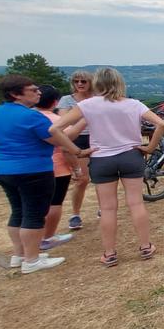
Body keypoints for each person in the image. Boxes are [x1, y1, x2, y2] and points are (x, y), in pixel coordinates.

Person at [50, 67, 164, 267]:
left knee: (108, 208)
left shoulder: (87, 105)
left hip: (102, 158)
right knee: (136, 203)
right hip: (131, 155)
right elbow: (161, 124)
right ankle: (145, 246)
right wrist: (151, 147)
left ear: (97, 84)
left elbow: (55, 129)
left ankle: (110, 253)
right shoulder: (133, 104)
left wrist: (77, 152)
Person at [0, 75, 94, 273]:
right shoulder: (31, 117)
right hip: (31, 169)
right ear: (15, 94)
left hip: (0, 169)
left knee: (18, 211)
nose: (39, 93)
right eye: (33, 90)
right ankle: (32, 260)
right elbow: (58, 138)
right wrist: (78, 152)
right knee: (34, 214)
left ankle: (20, 255)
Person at [36, 85, 87, 251]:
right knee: (54, 202)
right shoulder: (53, 120)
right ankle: (47, 237)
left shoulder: (28, 116)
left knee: (32, 205)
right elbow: (66, 145)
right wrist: (77, 169)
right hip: (56, 166)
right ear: (55, 102)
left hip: (28, 167)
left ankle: (29, 243)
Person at [57, 69, 95, 231]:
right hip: (78, 139)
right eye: (76, 81)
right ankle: (75, 213)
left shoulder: (97, 98)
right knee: (83, 179)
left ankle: (104, 208)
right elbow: (64, 121)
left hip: (97, 137)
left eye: (83, 81)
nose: (79, 84)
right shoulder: (67, 100)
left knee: (103, 177)